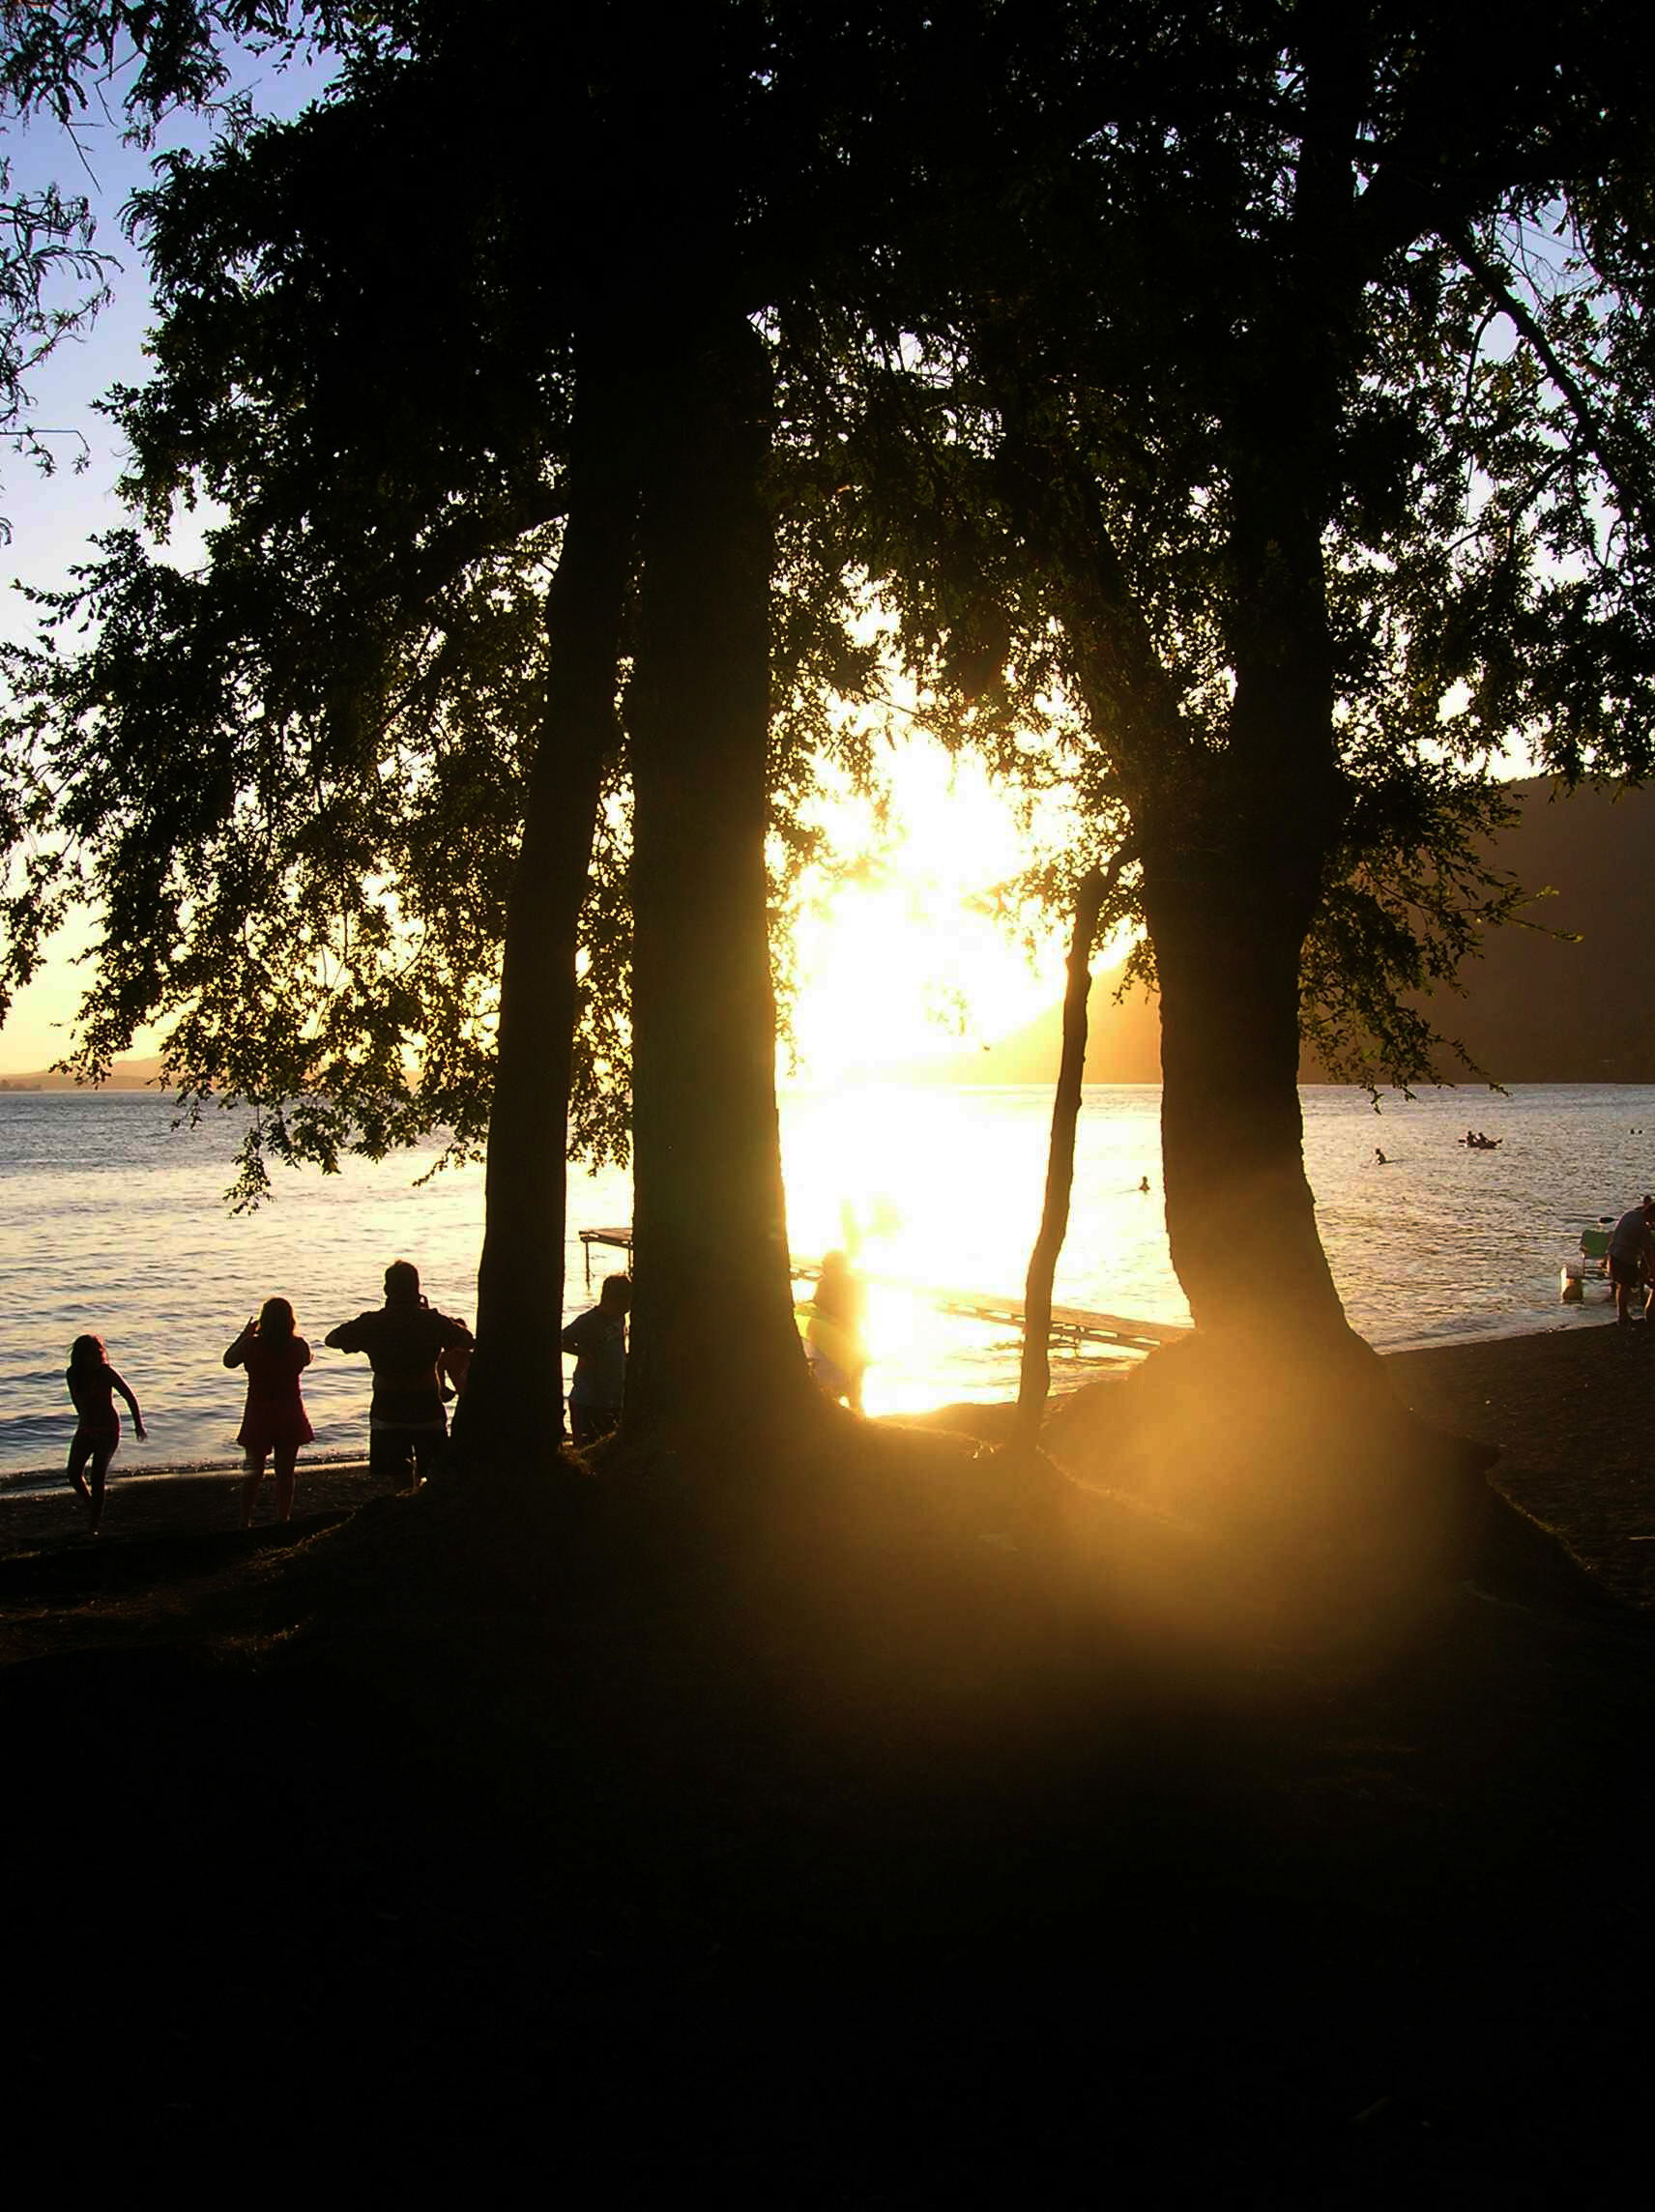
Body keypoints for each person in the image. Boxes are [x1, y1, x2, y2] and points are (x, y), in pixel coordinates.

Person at [325, 1261, 475, 1491]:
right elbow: (466, 1340)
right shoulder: (431, 1321)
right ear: (417, 1287)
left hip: (388, 1410)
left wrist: (365, 1338)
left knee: (399, 1478)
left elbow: (332, 1339)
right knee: (435, 1475)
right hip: (426, 1408)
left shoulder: (373, 1322)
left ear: (387, 1290)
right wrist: (437, 1316)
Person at [224, 1296, 313, 1528]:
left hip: (259, 1412)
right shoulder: (298, 1346)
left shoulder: (251, 1345)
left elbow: (228, 1361)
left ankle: (245, 1520)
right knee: (285, 1472)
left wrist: (245, 1333)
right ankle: (282, 1518)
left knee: (253, 1471)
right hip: (289, 1410)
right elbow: (306, 1361)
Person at [65, 1334, 145, 1536]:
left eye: (98, 1353)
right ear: (80, 1356)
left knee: (98, 1476)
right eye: (90, 1354)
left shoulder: (107, 1373)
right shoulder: (72, 1374)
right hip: (85, 1428)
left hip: (108, 1429)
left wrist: (138, 1425)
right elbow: (77, 1402)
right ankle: (91, 1504)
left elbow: (129, 1396)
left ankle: (93, 1525)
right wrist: (83, 1419)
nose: (95, 1358)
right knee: (74, 1473)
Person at [561, 1272, 631, 1448]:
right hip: (587, 1401)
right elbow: (562, 1339)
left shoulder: (620, 1319)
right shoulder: (589, 1321)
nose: (629, 1307)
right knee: (585, 1449)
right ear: (612, 1299)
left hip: (613, 1400)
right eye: (626, 1301)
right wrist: (583, 1353)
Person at [799, 1250, 867, 1413]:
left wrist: (801, 1306)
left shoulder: (825, 1283)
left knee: (830, 1391)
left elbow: (818, 1305)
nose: (823, 1269)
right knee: (855, 1393)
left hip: (830, 1342)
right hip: (852, 1339)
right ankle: (859, 1422)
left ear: (829, 1266)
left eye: (825, 1266)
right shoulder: (857, 1284)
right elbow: (863, 1311)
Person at [1607, 1197, 1655, 1326]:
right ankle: (1623, 1316)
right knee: (1625, 1286)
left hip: (1614, 1253)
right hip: (1625, 1257)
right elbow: (1647, 1252)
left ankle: (1623, 1315)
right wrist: (1652, 1270)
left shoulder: (1630, 1215)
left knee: (1623, 1285)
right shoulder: (1643, 1228)